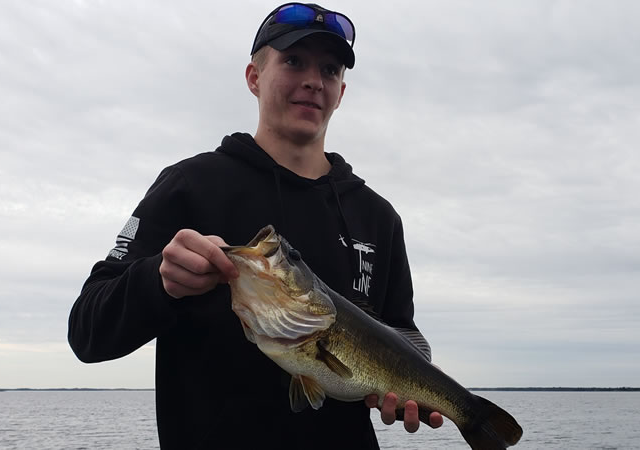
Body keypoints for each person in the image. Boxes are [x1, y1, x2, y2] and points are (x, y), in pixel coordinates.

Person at [68, 3, 443, 448]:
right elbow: (86, 332)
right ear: (254, 77)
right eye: (292, 61)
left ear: (341, 91)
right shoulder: (189, 185)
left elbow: (403, 338)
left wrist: (405, 395)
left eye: (329, 69)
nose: (312, 80)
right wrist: (158, 281)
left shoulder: (379, 217)